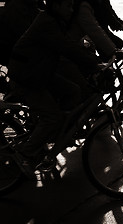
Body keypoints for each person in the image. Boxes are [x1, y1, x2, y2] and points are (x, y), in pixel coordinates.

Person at [7, 0, 102, 179]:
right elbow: (66, 48)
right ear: (56, 6)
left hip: (40, 70)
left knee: (73, 90)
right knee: (52, 117)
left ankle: (60, 133)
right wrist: (95, 63)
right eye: (67, 5)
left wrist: (92, 59)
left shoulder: (56, 20)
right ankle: (24, 154)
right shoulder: (47, 22)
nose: (71, 9)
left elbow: (72, 44)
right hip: (27, 75)